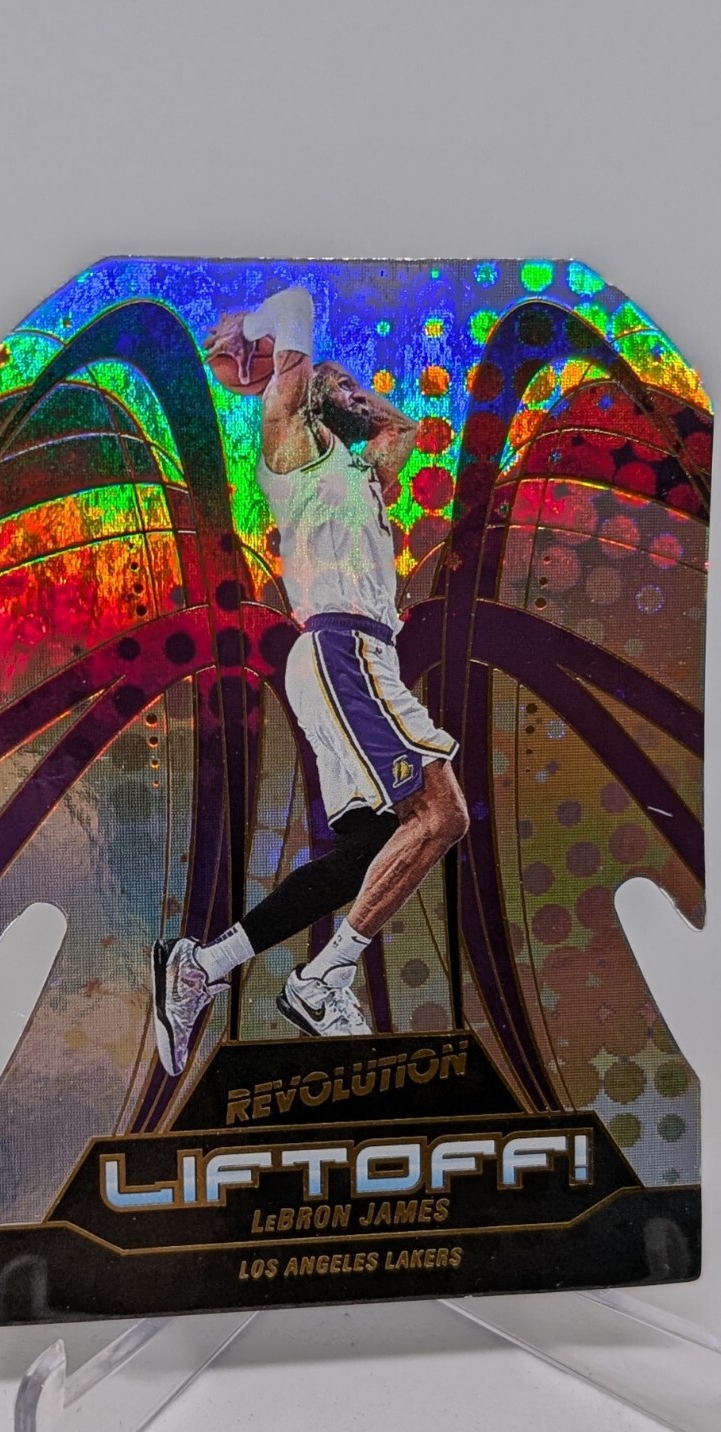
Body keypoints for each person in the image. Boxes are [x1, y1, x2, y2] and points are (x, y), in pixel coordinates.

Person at [152, 285, 468, 1076]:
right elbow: (294, 305)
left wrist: (352, 395)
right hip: (340, 649)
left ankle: (203, 967)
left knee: (371, 851)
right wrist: (252, 338)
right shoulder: (290, 449)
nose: (357, 395)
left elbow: (401, 430)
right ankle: (323, 978)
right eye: (341, 387)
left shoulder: (360, 477)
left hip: (355, 657)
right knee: (442, 814)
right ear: (309, 400)